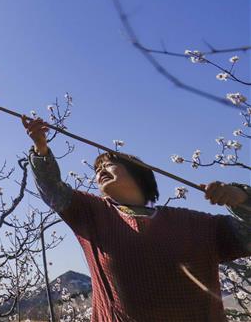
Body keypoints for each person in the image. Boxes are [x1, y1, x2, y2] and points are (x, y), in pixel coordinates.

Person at [22, 115, 251, 321]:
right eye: (97, 168)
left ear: (138, 172)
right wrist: (41, 148)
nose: (99, 170)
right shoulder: (92, 213)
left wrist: (242, 198)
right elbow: (52, 189)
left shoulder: (196, 224)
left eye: (109, 164)